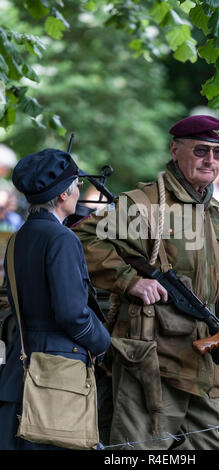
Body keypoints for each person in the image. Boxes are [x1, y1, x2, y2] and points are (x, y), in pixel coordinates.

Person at [73, 115, 219, 450]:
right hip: (151, 361)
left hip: (201, 362)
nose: (210, 160)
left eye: (218, 152)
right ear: (175, 150)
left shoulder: (214, 214)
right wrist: (129, 280)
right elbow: (81, 240)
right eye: (201, 151)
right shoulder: (144, 207)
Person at [0, 148, 111, 450]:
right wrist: (102, 342)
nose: (78, 191)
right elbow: (72, 313)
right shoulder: (62, 238)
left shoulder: (19, 237)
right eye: (75, 184)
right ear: (63, 195)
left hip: (20, 369)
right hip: (56, 379)